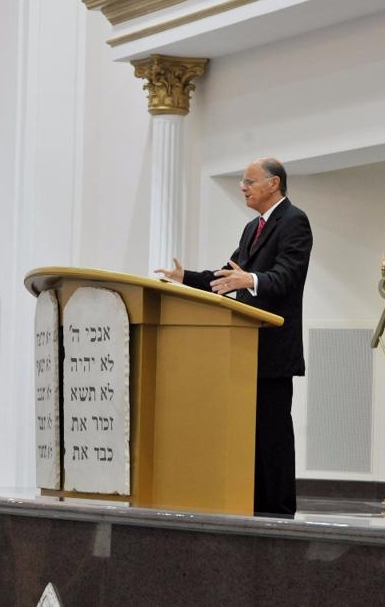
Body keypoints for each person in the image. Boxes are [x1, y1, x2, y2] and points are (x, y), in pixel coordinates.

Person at [156, 157, 312, 517]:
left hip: (273, 349)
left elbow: (287, 275)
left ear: (273, 183)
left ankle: (279, 512)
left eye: (249, 181)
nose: (243, 187)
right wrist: (186, 278)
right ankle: (253, 507)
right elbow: (226, 276)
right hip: (246, 350)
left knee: (273, 434)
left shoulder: (294, 221)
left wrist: (251, 279)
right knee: (249, 435)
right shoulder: (251, 229)